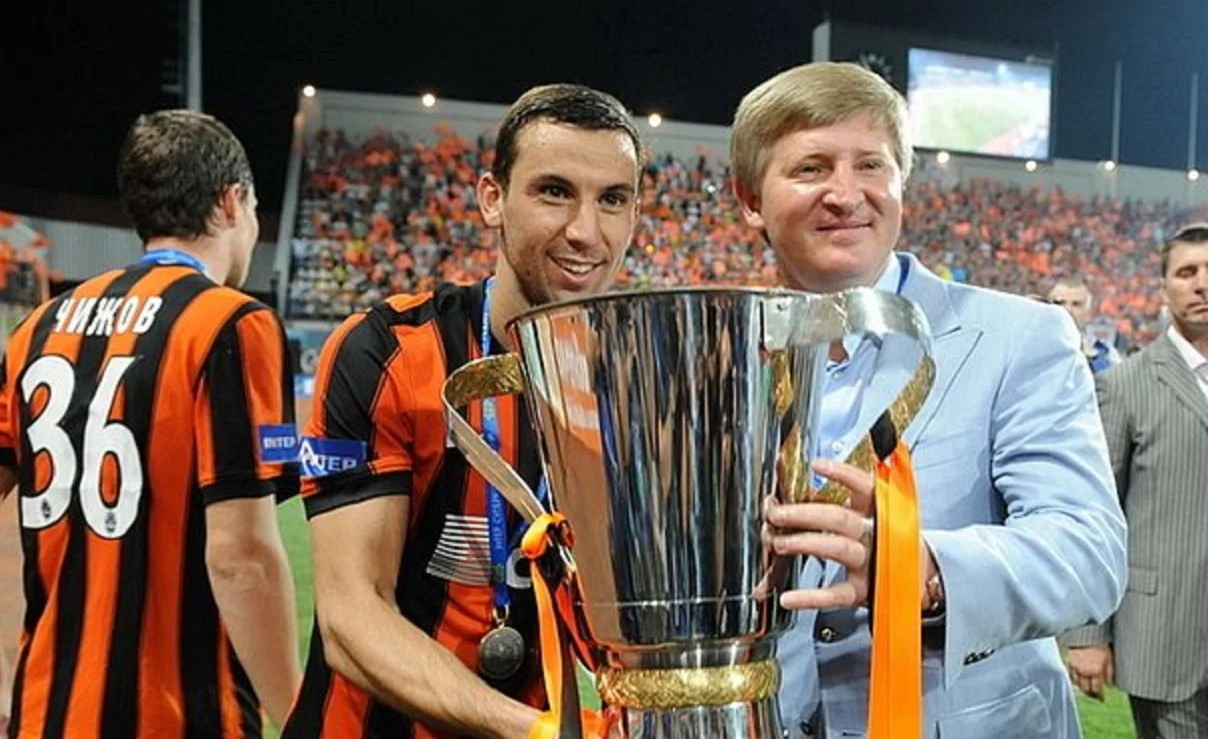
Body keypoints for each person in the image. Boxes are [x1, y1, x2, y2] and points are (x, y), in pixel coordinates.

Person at [730, 62, 1127, 738]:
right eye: (811, 168)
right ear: (749, 199)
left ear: (901, 184)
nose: (845, 194)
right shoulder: (720, 356)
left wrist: (930, 569)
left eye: (871, 165)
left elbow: (1088, 551)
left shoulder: (1019, 335)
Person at [281, 84, 643, 739]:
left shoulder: (636, 387)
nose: (586, 232)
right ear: (491, 199)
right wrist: (536, 732)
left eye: (613, 199)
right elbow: (351, 615)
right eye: (555, 191)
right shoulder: (389, 351)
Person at [0, 110, 302, 737]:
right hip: (178, 716)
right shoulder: (230, 322)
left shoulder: (37, 329)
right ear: (232, 201)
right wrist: (300, 717)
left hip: (44, 712)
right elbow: (241, 557)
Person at [1063, 223, 1208, 739]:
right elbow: (1094, 513)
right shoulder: (1123, 386)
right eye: (1187, 272)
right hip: (1165, 633)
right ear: (1164, 289)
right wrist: (1087, 634)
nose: (1202, 284)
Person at [1047, 278, 1122, 373]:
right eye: (1059, 303)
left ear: (1089, 313)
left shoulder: (1107, 356)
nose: (1067, 309)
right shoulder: (1031, 346)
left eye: (1076, 304)